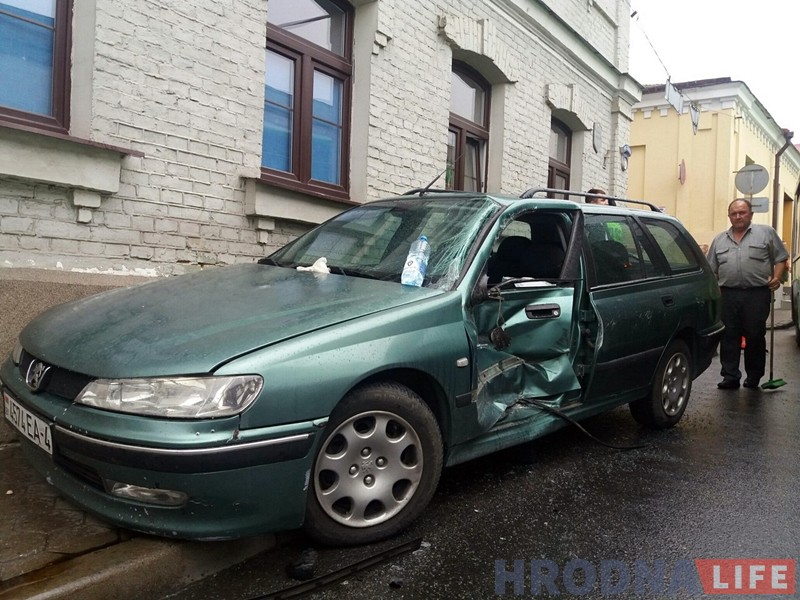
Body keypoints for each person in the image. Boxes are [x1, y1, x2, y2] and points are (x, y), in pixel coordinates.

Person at [706, 199, 788, 390]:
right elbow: (712, 269)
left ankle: (753, 376)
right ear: (729, 216)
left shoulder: (765, 233)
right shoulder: (719, 240)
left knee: (754, 335)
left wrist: (776, 277)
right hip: (728, 294)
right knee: (728, 335)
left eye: (742, 212)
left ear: (750, 214)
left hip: (757, 294)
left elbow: (781, 257)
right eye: (734, 213)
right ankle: (730, 376)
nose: (738, 216)